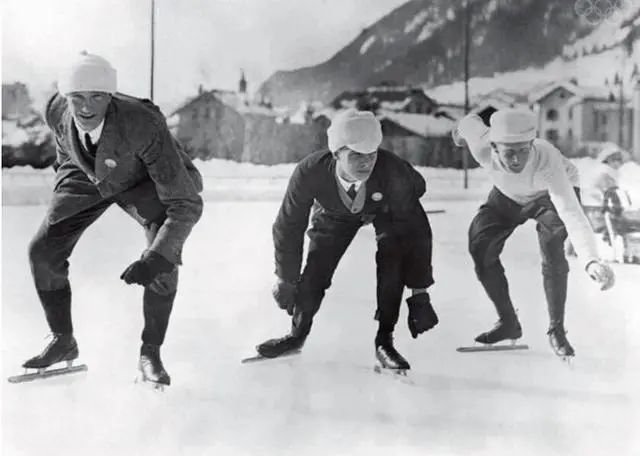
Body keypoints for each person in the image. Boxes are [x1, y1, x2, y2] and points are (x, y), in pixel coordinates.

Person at [22, 51, 203, 386]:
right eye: (78, 97)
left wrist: (157, 257)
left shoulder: (143, 123)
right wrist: (65, 196)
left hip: (144, 179)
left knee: (163, 258)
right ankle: (62, 340)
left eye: (98, 97)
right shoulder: (56, 109)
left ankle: (151, 353)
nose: (87, 107)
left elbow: (185, 203)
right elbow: (64, 149)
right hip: (86, 174)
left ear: (110, 96)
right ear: (66, 97)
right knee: (42, 250)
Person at [255, 109, 438, 371]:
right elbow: (288, 225)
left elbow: (418, 230)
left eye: (371, 155)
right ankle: (296, 336)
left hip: (384, 206)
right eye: (356, 156)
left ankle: (385, 340)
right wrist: (286, 277)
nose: (366, 163)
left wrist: (420, 292)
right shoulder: (310, 172)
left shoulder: (393, 172)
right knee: (315, 271)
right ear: (336, 153)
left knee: (393, 259)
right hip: (334, 213)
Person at [453, 109, 615, 357]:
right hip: (508, 194)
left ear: (532, 143)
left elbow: (571, 212)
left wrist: (591, 260)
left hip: (549, 195)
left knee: (552, 249)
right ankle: (508, 322)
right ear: (494, 147)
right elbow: (468, 123)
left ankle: (556, 330)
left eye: (523, 151)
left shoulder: (546, 159)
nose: (517, 161)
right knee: (480, 244)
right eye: (509, 153)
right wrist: (458, 133)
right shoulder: (481, 146)